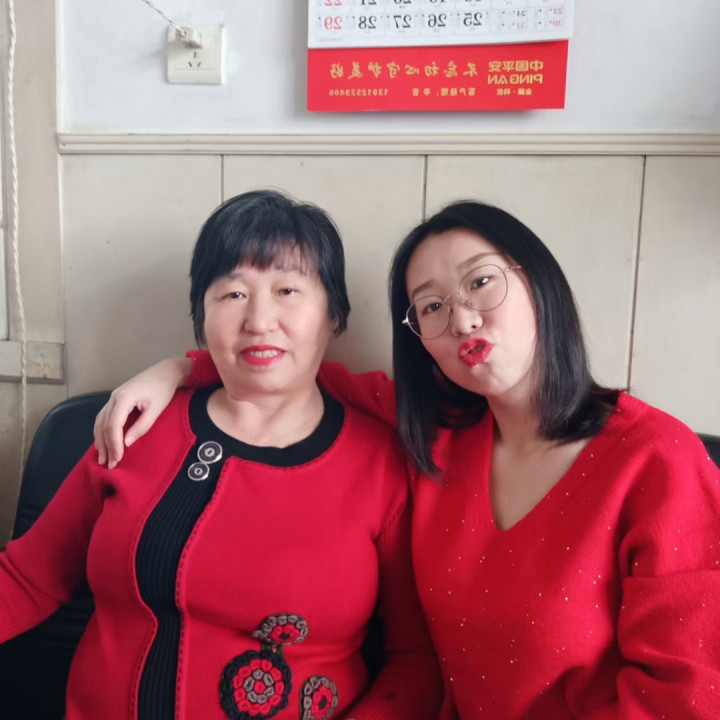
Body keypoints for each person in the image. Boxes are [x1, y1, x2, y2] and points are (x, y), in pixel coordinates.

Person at [94, 200, 720, 720]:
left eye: (480, 282)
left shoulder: (656, 461)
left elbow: (689, 695)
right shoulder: (439, 438)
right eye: (431, 306)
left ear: (539, 282)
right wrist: (180, 369)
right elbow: (288, 371)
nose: (462, 318)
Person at [0, 190, 444, 720]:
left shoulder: (382, 464)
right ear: (202, 314)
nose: (259, 319)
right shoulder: (136, 427)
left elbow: (416, 660)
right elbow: (27, 579)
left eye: (287, 290)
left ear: (332, 314)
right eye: (232, 293)